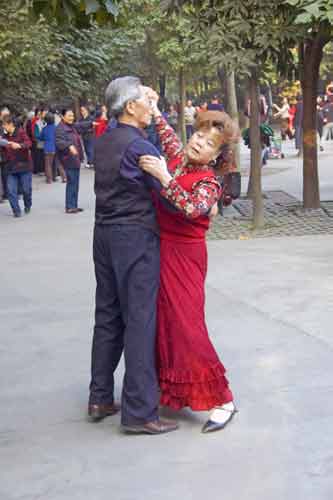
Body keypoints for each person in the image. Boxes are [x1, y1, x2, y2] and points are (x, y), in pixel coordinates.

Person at [139, 93, 239, 433]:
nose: (199, 143)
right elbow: (168, 136)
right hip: (162, 252)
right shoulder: (183, 161)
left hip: (186, 256)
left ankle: (223, 399)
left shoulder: (209, 182)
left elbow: (192, 209)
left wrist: (165, 177)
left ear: (216, 155)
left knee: (187, 326)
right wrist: (154, 111)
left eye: (209, 143)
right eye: (198, 135)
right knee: (165, 323)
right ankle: (169, 390)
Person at [89, 76, 180, 435]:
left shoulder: (105, 141)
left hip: (104, 235)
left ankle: (100, 396)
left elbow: (141, 150)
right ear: (130, 107)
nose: (150, 105)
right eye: (145, 100)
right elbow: (164, 186)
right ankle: (140, 411)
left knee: (108, 313)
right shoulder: (139, 146)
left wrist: (152, 112)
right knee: (140, 318)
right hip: (134, 236)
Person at [1, 115, 32, 217]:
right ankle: (16, 211)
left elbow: (28, 143)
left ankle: (28, 205)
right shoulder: (4, 136)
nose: (3, 127)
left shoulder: (20, 132)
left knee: (26, 190)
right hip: (10, 167)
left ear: (10, 124)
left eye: (4, 125)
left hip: (24, 166)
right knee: (11, 190)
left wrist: (19, 145)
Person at [55, 108, 84, 214]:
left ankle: (74, 205)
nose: (72, 118)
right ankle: (70, 206)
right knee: (72, 182)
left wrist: (91, 124)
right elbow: (59, 142)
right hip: (68, 159)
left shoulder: (72, 126)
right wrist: (69, 145)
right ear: (63, 116)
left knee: (75, 183)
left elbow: (82, 126)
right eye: (69, 116)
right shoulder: (60, 128)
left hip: (75, 158)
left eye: (72, 116)